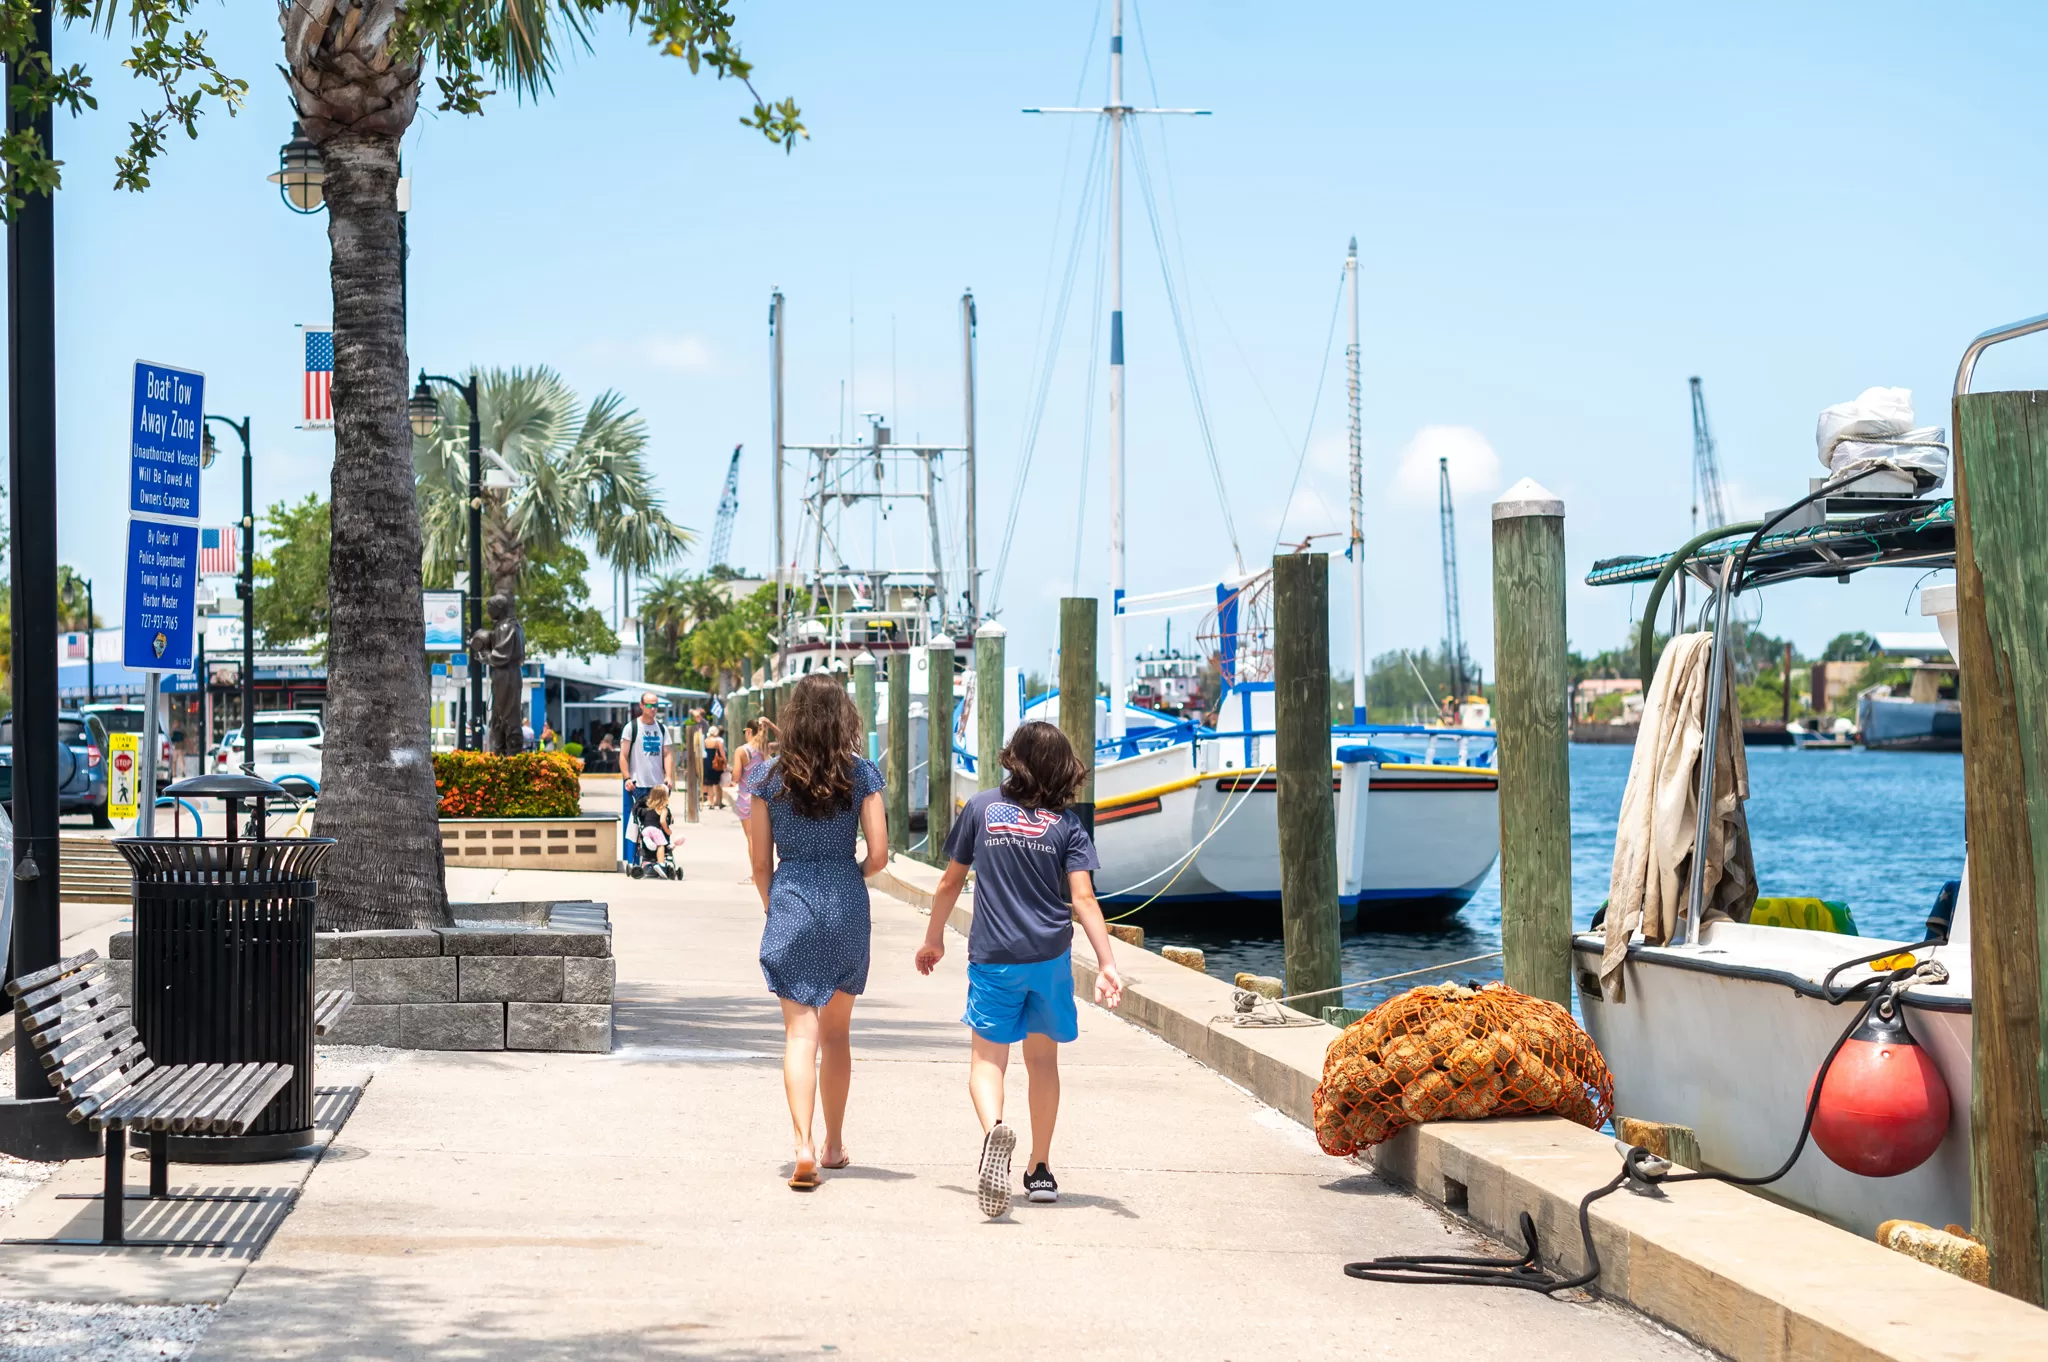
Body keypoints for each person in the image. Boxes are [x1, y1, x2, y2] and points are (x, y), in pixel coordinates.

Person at [916, 720, 1124, 1219]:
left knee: (988, 1062)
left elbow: (949, 884)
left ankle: (994, 1134)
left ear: (1014, 759)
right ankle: (1041, 1168)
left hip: (994, 958)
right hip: (1049, 960)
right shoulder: (1068, 826)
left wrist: (933, 939)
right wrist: (1107, 963)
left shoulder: (982, 809)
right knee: (1043, 1065)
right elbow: (1084, 899)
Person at [744, 674, 888, 1191]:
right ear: (844, 715)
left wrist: (773, 905)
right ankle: (833, 1145)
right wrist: (851, 876)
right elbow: (879, 855)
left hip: (791, 897)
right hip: (847, 901)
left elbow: (760, 861)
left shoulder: (767, 778)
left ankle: (802, 1145)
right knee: (837, 1034)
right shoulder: (862, 773)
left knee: (799, 1034)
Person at [622, 695, 674, 846]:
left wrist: (668, 776)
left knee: (658, 823)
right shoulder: (631, 727)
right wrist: (627, 778)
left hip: (657, 787)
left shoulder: (662, 729)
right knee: (637, 824)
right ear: (641, 705)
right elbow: (623, 755)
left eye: (656, 705)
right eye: (650, 705)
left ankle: (658, 859)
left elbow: (667, 754)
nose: (653, 709)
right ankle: (636, 861)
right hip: (637, 785)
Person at [731, 717, 771, 885]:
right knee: (766, 839)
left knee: (752, 839)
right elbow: (785, 740)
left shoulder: (742, 751)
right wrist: (771, 725)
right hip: (765, 798)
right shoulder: (764, 749)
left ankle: (756, 876)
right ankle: (767, 873)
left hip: (746, 799)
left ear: (748, 732)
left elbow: (736, 775)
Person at [633, 784, 678, 879]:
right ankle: (661, 864)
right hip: (655, 831)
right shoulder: (663, 809)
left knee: (648, 840)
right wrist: (668, 830)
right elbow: (662, 821)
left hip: (645, 831)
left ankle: (647, 843)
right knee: (661, 845)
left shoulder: (646, 809)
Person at [702, 720, 728, 811]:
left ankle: (711, 802)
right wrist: (725, 762)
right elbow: (722, 754)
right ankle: (719, 801)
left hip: (707, 763)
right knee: (717, 783)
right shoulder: (717, 742)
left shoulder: (705, 741)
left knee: (709, 784)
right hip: (716, 764)